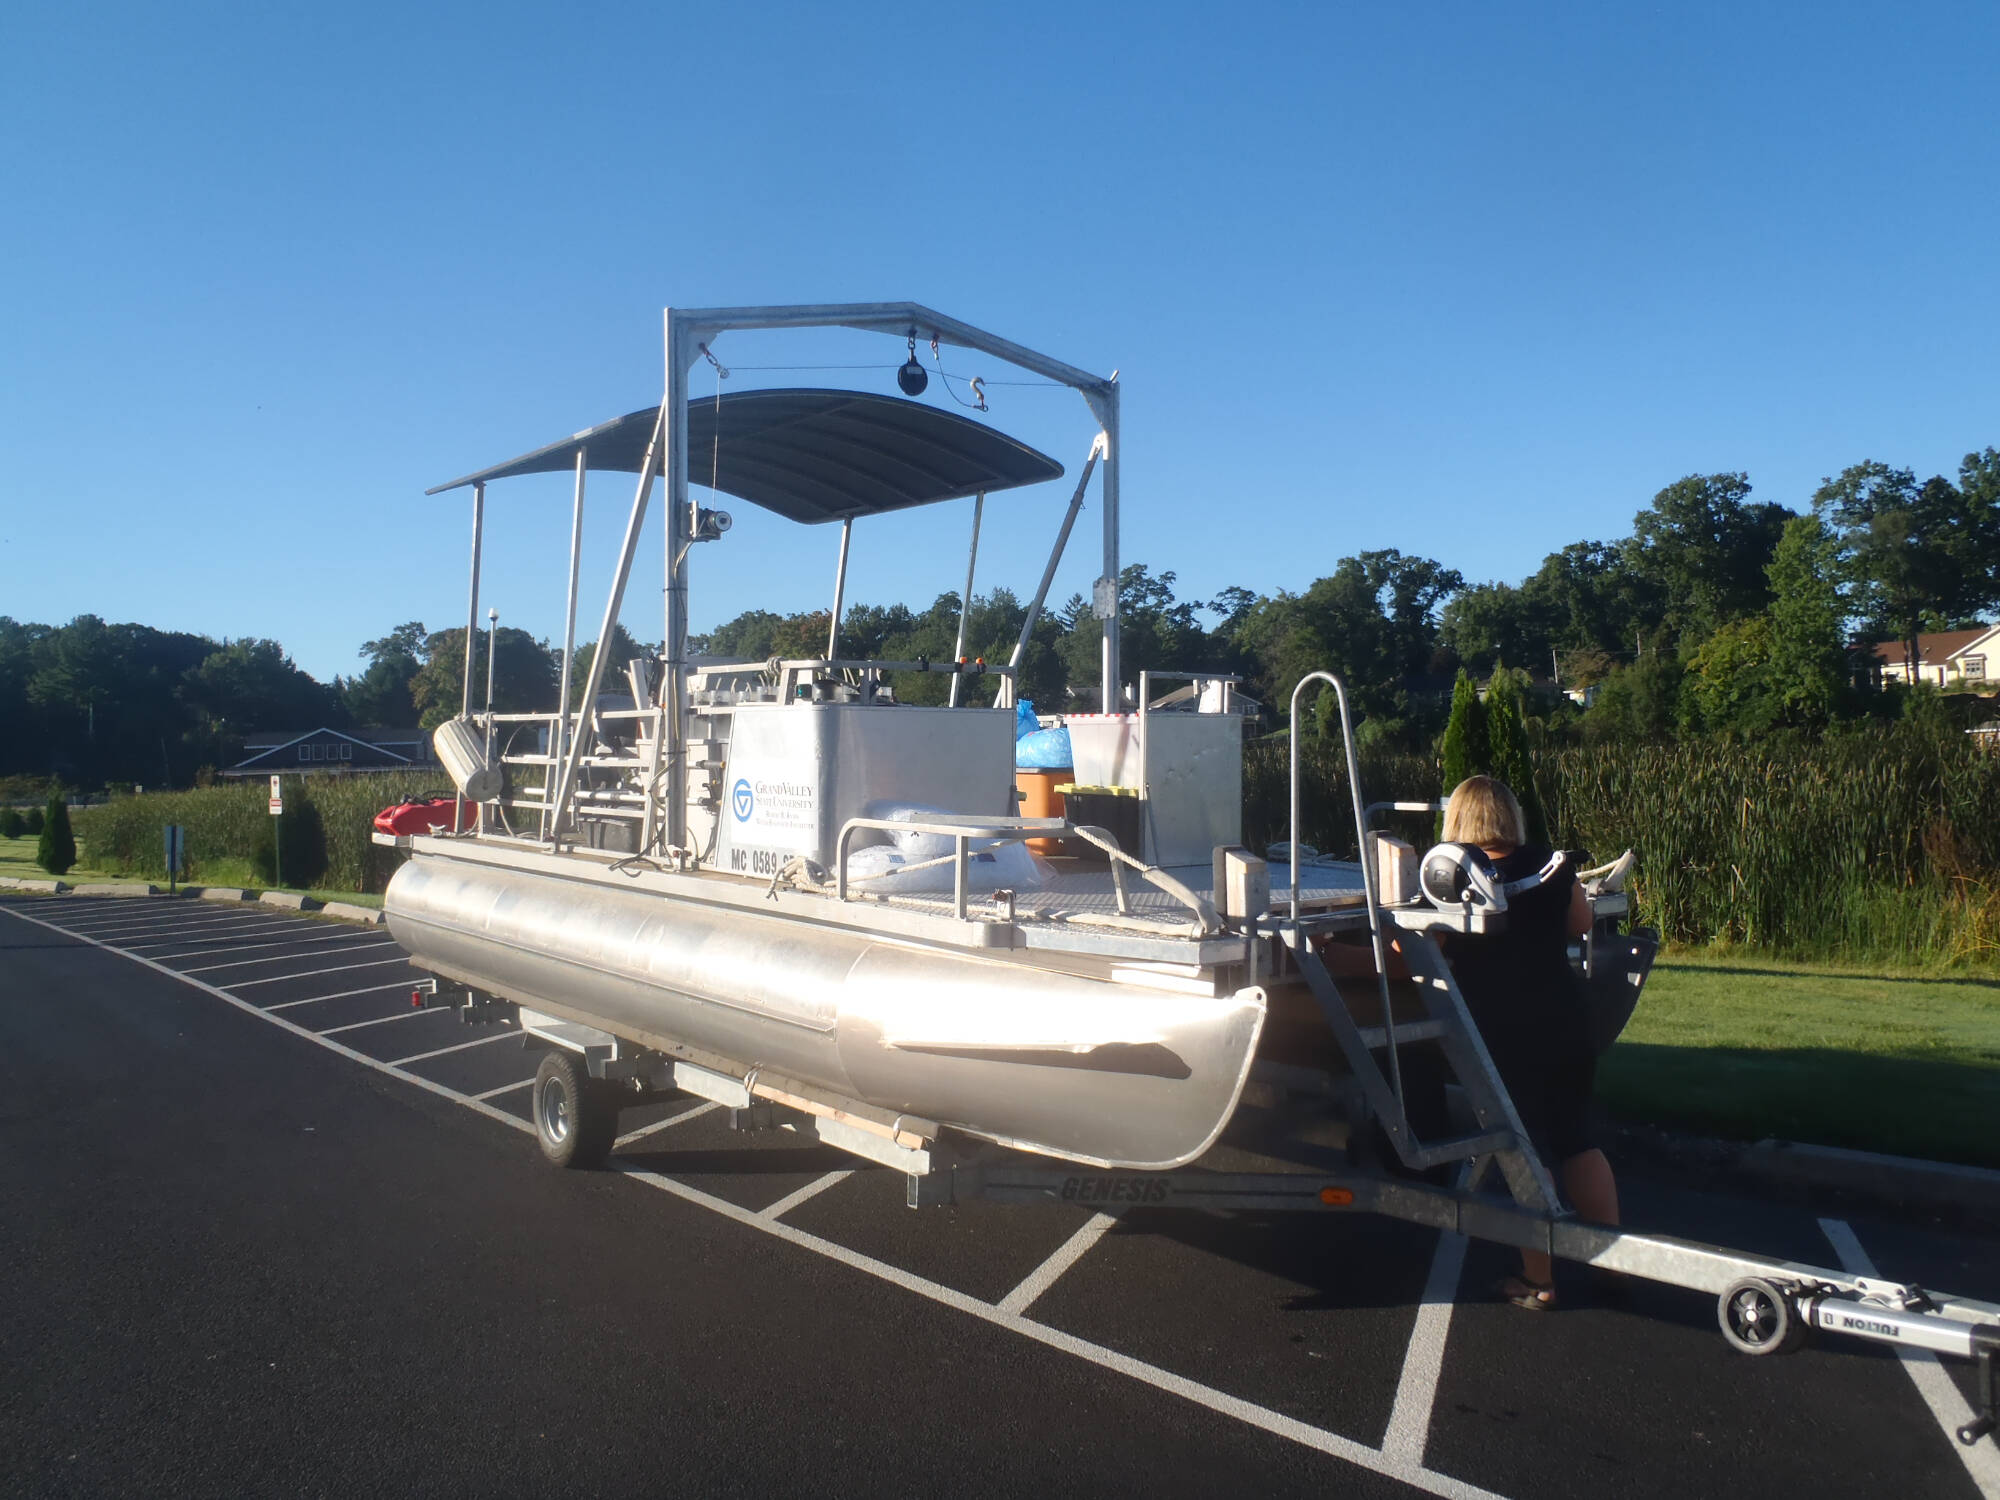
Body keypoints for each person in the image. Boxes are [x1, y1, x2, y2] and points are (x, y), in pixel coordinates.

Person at [1439, 774, 1619, 1310]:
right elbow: (1581, 922)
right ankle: (1614, 1264)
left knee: (1525, 1150)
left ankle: (1537, 1279)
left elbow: (1426, 952)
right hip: (1565, 1019)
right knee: (1578, 1140)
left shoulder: (1459, 875)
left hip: (1504, 1030)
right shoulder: (1552, 864)